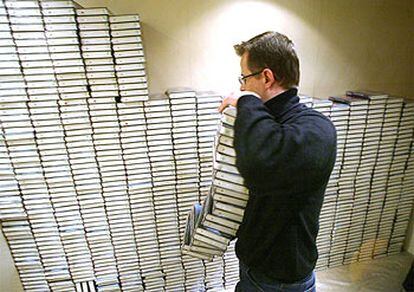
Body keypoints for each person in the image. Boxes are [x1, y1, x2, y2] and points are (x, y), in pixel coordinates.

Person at [219, 31, 337, 291]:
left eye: (245, 78)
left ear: (266, 77)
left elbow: (260, 165)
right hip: (255, 265)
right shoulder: (268, 122)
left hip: (280, 279)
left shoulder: (316, 128)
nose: (241, 86)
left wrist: (247, 101)